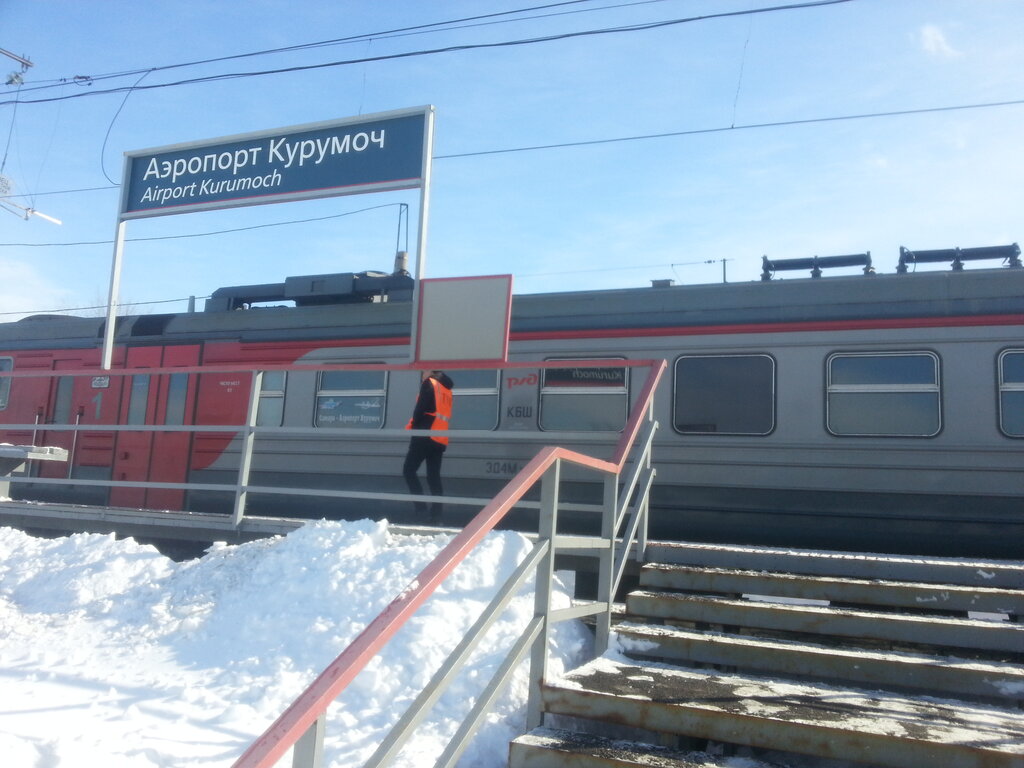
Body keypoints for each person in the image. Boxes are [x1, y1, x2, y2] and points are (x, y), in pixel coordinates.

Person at [403, 369, 453, 521]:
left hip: (425, 433)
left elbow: (420, 409)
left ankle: (421, 509)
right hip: (440, 437)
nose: (422, 374)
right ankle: (436, 513)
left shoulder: (429, 383)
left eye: (423, 371)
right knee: (433, 476)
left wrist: (415, 425)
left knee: (408, 470)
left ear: (431, 371)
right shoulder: (447, 389)